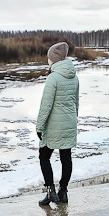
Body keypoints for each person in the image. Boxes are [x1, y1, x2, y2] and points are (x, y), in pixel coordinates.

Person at [36, 41, 79, 205]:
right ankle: (63, 191)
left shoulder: (53, 78)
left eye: (49, 58)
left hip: (54, 125)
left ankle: (50, 191)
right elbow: (76, 103)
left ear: (53, 59)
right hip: (69, 123)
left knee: (44, 155)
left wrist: (39, 126)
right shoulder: (74, 77)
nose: (48, 61)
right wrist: (74, 120)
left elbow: (45, 106)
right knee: (66, 157)